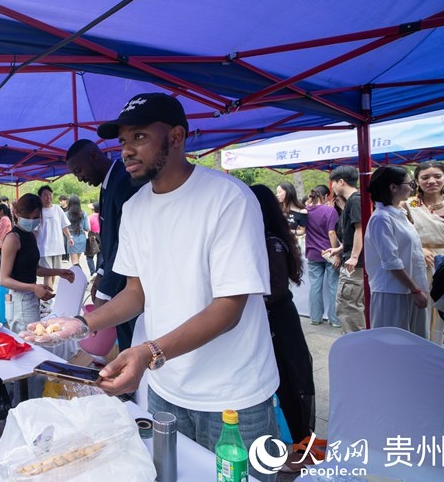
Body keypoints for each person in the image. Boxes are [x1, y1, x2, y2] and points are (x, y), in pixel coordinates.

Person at [39, 93, 280, 482]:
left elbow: (229, 308)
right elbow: (137, 293)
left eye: (139, 137)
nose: (127, 150)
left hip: (234, 395)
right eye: (122, 141)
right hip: (167, 390)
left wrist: (150, 351)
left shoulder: (227, 198)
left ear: (177, 137)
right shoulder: (135, 209)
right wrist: (82, 324)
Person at [250, 185, 315, 447]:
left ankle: (298, 440)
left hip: (278, 320)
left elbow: (275, 289)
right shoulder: (263, 238)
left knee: (288, 378)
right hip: (271, 317)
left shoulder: (271, 243)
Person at [66, 139, 142, 351]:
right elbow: (109, 237)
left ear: (93, 155)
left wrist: (106, 290)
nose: (80, 178)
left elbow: (125, 243)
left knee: (133, 342)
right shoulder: (108, 184)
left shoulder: (124, 181)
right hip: (115, 277)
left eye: (79, 170)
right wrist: (100, 272)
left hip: (128, 285)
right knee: (125, 340)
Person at [364, 166, 428, 336]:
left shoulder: (397, 213)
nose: (412, 187)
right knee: (394, 345)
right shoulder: (381, 218)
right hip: (392, 292)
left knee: (414, 342)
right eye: (410, 183)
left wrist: (416, 289)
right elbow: (391, 261)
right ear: (393, 187)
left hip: (408, 289)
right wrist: (415, 289)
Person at [0, 193, 74, 333]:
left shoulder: (31, 235)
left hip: (31, 297)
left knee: (34, 340)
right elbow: (4, 279)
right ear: (16, 213)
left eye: (36, 218)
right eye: (27, 217)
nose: (31, 221)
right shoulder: (12, 239)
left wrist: (58, 271)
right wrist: (33, 288)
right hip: (19, 299)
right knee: (29, 341)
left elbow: (35, 268)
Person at [404, 161, 444, 336]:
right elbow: (399, 237)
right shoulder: (409, 205)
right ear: (417, 180)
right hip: (420, 262)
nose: (432, 181)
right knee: (423, 307)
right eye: (425, 177)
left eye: (437, 176)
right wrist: (419, 248)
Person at [326, 165, 367, 333]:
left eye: (333, 183)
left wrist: (355, 256)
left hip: (354, 266)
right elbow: (352, 233)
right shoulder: (353, 201)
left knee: (349, 307)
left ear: (341, 182)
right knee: (347, 306)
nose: (333, 188)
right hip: (351, 261)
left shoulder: (356, 200)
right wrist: (340, 249)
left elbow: (360, 229)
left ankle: (357, 345)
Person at [305, 187, 341, 327]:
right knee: (334, 286)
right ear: (326, 196)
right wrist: (336, 253)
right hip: (329, 253)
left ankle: (315, 318)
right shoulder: (330, 211)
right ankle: (335, 320)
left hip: (313, 253)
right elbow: (332, 233)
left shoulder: (306, 210)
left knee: (315, 286)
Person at [35, 185, 74, 290]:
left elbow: (64, 225)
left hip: (57, 247)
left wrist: (70, 237)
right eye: (45, 195)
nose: (48, 197)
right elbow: (34, 231)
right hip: (44, 248)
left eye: (50, 195)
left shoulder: (57, 209)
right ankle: (48, 300)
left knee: (55, 273)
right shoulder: (38, 211)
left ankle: (49, 296)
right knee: (47, 274)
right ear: (40, 197)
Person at [64, 195, 89, 268]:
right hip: (81, 238)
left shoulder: (66, 214)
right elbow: (86, 227)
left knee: (75, 263)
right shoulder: (83, 213)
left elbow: (63, 227)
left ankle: (78, 278)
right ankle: (78, 277)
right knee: (77, 261)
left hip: (71, 238)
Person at [85, 201, 102, 276]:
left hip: (92, 236)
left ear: (93, 209)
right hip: (101, 236)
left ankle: (93, 272)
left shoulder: (90, 217)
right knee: (100, 255)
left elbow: (88, 228)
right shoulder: (102, 217)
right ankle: (99, 273)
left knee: (89, 256)